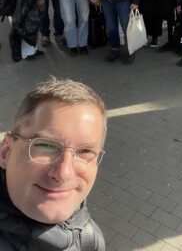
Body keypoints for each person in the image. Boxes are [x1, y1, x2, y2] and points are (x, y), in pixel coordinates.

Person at [0, 77, 106, 250]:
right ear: (6, 152)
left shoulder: (90, 240)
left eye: (85, 151)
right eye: (45, 145)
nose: (63, 173)